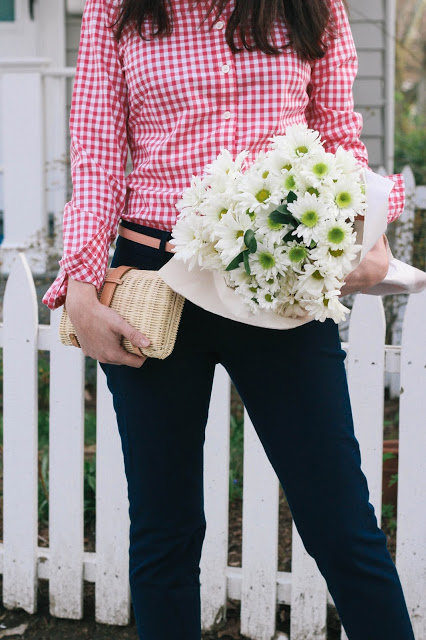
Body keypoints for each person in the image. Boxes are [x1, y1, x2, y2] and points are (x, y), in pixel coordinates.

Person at [42, 0, 415, 638]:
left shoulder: (311, 7)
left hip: (280, 278)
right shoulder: (118, 9)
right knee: (165, 529)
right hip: (154, 280)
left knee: (341, 523)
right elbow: (99, 157)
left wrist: (370, 231)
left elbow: (338, 139)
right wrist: (80, 286)